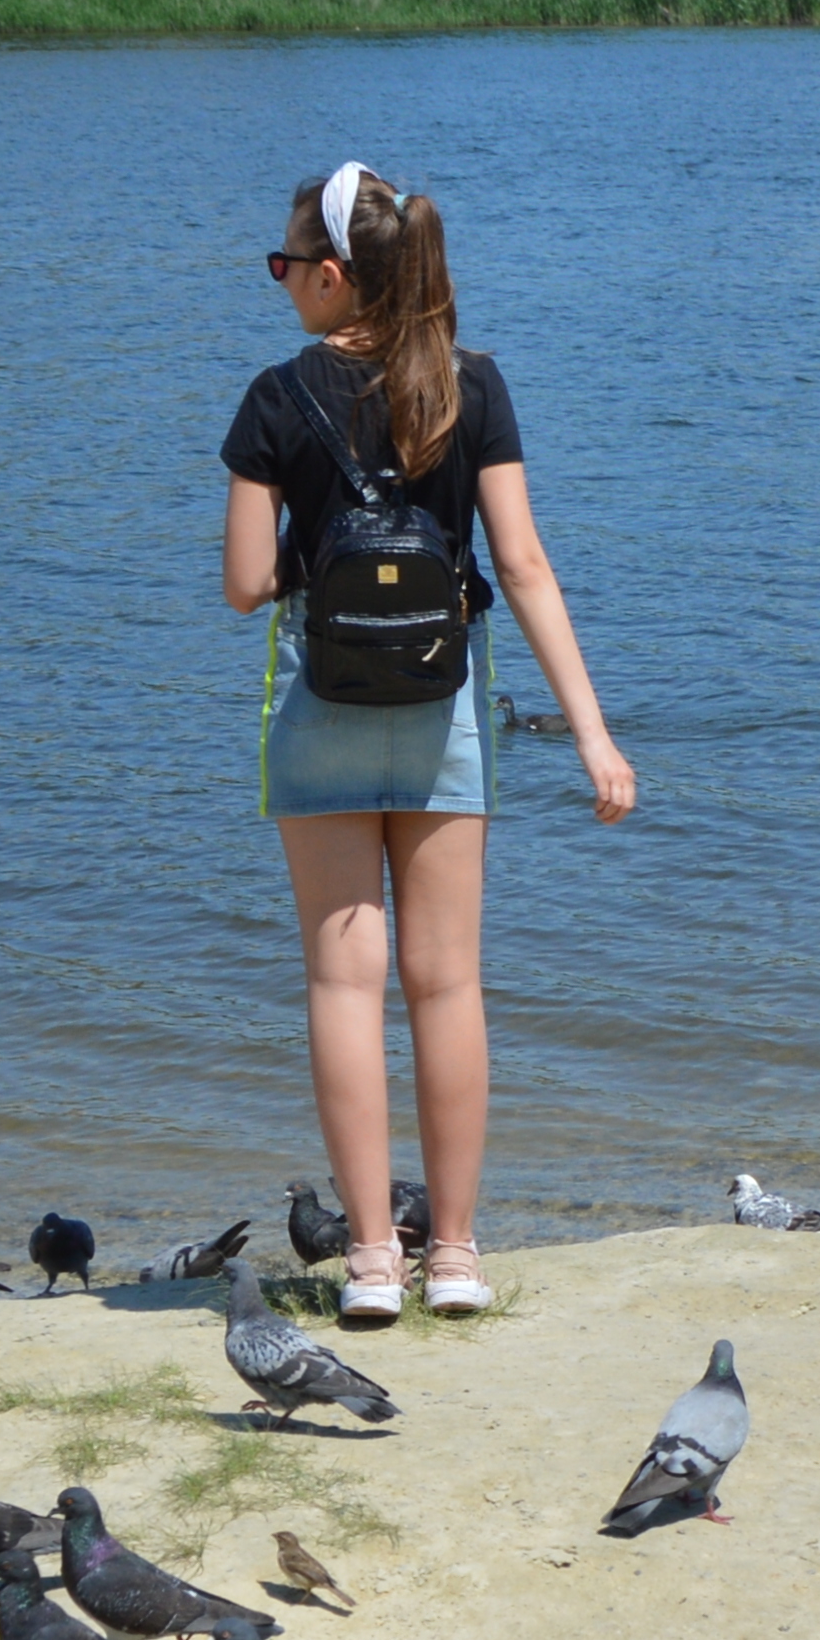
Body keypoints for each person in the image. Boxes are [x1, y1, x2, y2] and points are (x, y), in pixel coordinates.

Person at [219, 161, 635, 1326]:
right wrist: (593, 737)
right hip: (445, 709)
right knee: (447, 985)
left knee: (340, 982)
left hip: (319, 714)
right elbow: (526, 567)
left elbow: (247, 586)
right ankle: (453, 1253)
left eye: (285, 263)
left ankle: (368, 1263)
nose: (280, 281)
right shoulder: (476, 386)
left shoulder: (271, 398)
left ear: (333, 275)